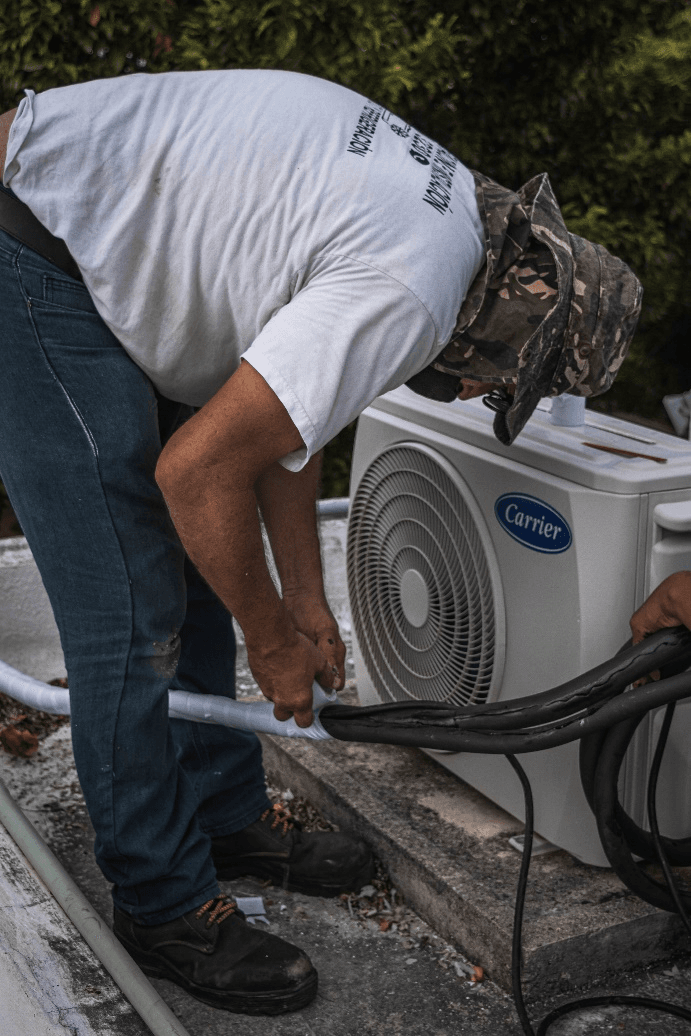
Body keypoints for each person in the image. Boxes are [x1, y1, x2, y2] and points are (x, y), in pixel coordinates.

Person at [0, 68, 642, 1015]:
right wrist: (270, 639)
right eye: (503, 382)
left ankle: (223, 816)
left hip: (95, 220)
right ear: (515, 314)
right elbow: (197, 473)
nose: (476, 395)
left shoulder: (455, 221)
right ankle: (163, 901)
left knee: (199, 566)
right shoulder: (414, 289)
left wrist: (304, 598)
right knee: (133, 613)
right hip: (37, 240)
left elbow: (284, 424)